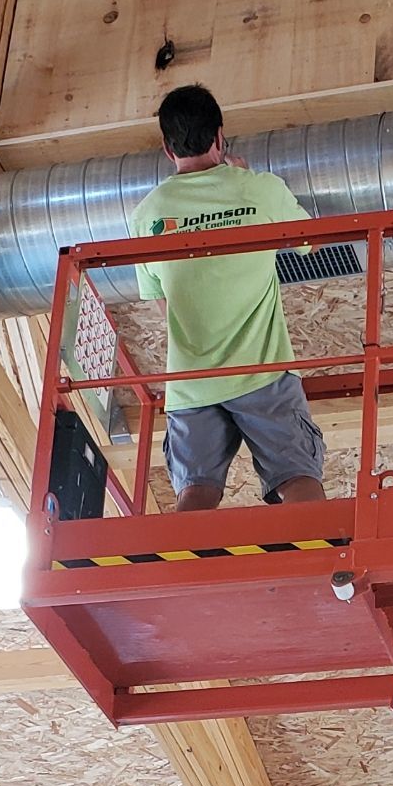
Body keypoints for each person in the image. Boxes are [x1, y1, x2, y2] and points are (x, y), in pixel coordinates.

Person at [129, 84, 328, 511]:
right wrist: (241, 179)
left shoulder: (147, 213)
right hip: (263, 372)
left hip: (191, 384)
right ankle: (325, 565)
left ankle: (187, 574)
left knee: (195, 495)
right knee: (298, 478)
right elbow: (310, 242)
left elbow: (162, 304)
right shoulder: (259, 189)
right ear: (220, 136)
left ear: (167, 148)